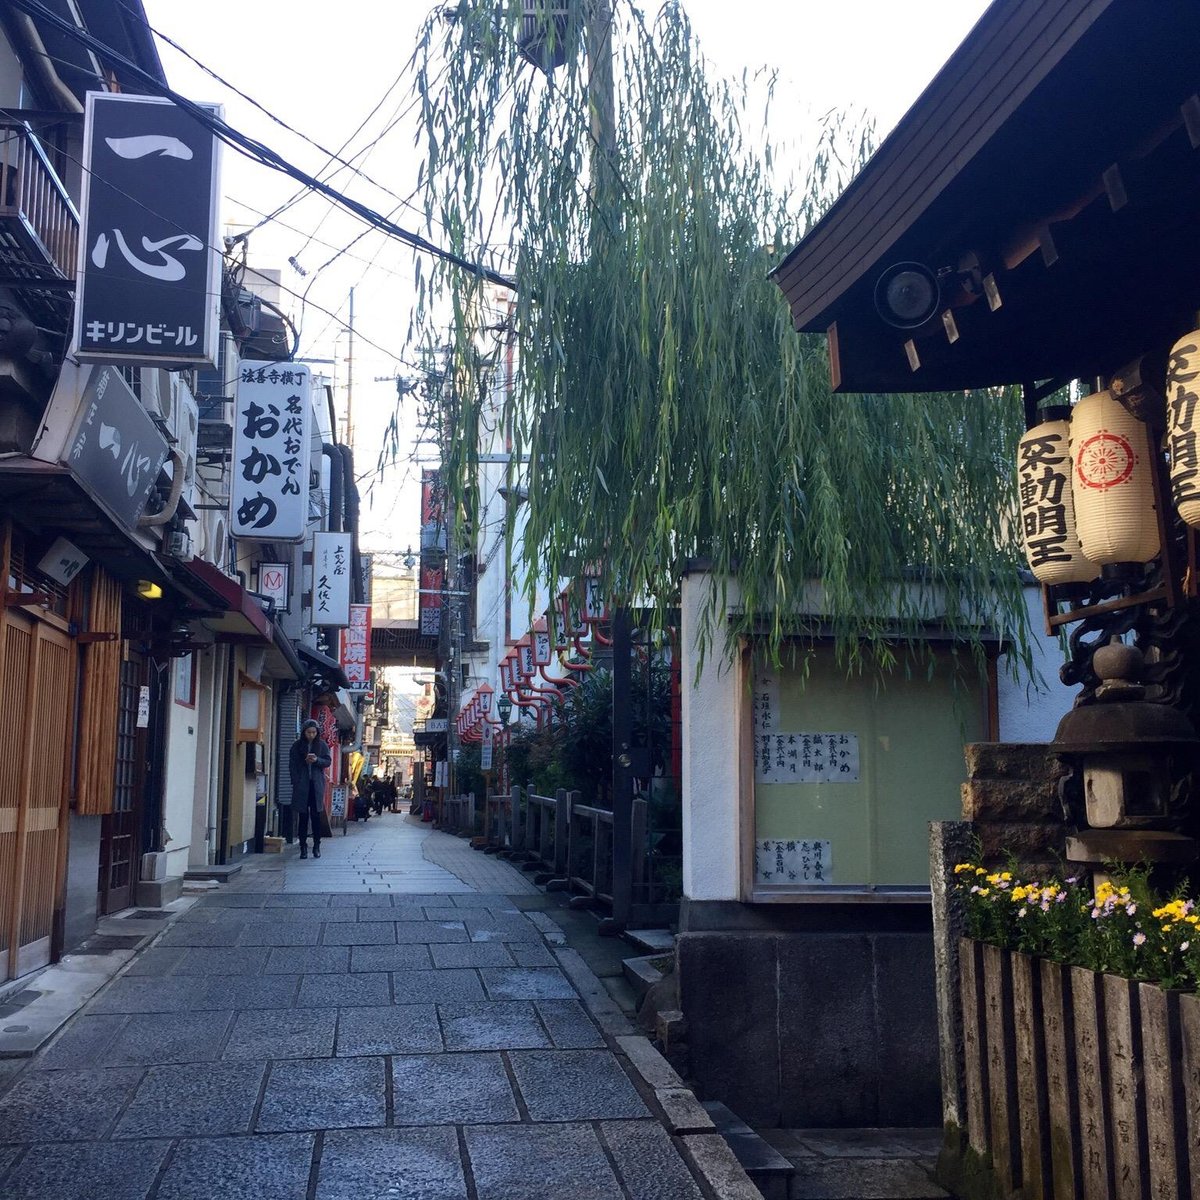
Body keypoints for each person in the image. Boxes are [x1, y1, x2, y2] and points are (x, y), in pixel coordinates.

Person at [288, 719, 331, 859]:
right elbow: (292, 766)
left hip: (316, 784)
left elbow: (327, 761)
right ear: (304, 732)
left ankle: (317, 846)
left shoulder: (322, 745)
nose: (311, 735)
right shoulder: (296, 746)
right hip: (302, 785)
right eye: (308, 732)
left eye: (314, 732)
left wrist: (317, 760)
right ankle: (303, 847)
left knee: (316, 815)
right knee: (303, 816)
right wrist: (296, 780)